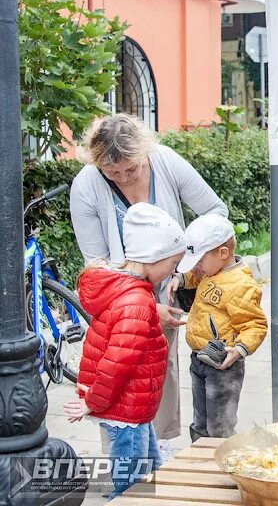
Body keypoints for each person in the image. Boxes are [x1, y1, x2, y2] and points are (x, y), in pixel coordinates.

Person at [70, 114, 227, 455]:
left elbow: (215, 213)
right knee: (123, 370)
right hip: (120, 296)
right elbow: (96, 262)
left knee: (160, 365)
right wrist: (145, 306)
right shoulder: (85, 185)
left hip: (169, 286)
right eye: (113, 173)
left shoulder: (165, 161)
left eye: (132, 169)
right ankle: (124, 454)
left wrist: (189, 269)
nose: (124, 178)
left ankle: (162, 445)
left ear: (145, 154)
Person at [63, 203, 186, 499]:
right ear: (154, 257)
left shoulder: (128, 293)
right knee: (130, 485)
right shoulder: (137, 304)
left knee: (149, 471)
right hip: (126, 410)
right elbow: (115, 364)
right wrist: (93, 401)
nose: (173, 271)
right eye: (172, 264)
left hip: (136, 407)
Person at [177, 214, 267, 441]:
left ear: (223, 253)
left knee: (220, 424)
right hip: (199, 358)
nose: (196, 267)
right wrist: (178, 281)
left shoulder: (241, 285)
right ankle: (199, 457)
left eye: (199, 260)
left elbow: (255, 324)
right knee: (200, 418)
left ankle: (222, 460)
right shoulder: (211, 270)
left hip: (223, 366)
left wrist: (238, 350)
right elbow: (194, 277)